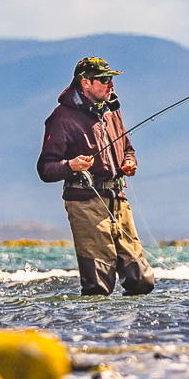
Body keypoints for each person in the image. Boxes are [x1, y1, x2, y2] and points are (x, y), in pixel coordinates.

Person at [38, 57, 156, 296]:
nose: (110, 85)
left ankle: (132, 330)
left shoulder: (112, 111)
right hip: (85, 203)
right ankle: (95, 331)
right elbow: (46, 168)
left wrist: (129, 162)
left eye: (111, 79)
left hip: (118, 200)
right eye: (104, 80)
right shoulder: (61, 118)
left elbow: (128, 148)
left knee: (142, 280)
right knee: (98, 287)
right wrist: (71, 165)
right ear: (86, 83)